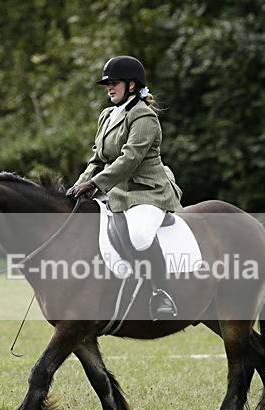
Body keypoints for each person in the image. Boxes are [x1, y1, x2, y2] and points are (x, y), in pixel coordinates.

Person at [66, 55, 183, 319]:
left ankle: (161, 292)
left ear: (131, 85)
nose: (109, 88)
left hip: (147, 192)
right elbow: (97, 158)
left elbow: (129, 159)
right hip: (116, 192)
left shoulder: (144, 116)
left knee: (140, 236)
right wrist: (78, 187)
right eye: (107, 84)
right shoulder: (107, 115)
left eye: (115, 83)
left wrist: (95, 183)